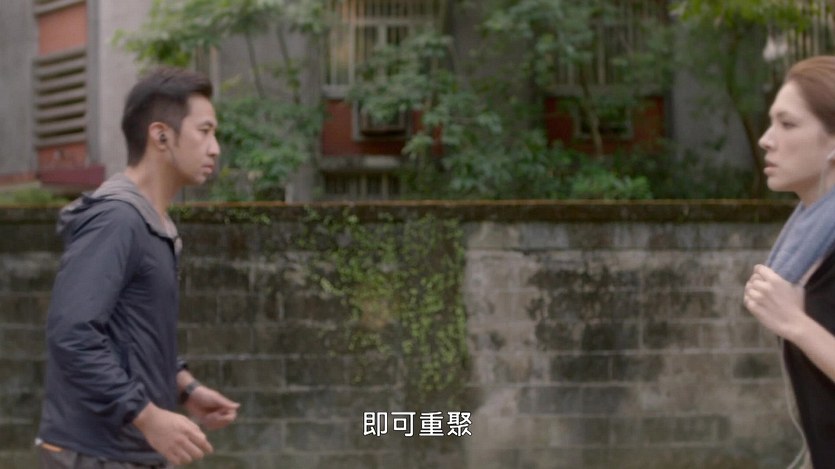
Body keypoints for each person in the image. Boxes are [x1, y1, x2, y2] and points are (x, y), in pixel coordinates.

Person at [36, 67, 239, 468]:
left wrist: (184, 387)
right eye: (204, 131)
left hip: (128, 451)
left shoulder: (154, 224)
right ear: (161, 135)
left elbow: (131, 334)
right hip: (94, 454)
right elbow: (72, 334)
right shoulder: (117, 219)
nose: (215, 148)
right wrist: (146, 416)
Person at [744, 55, 835, 469]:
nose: (766, 139)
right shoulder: (813, 238)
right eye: (771, 123)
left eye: (788, 124)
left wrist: (796, 323)